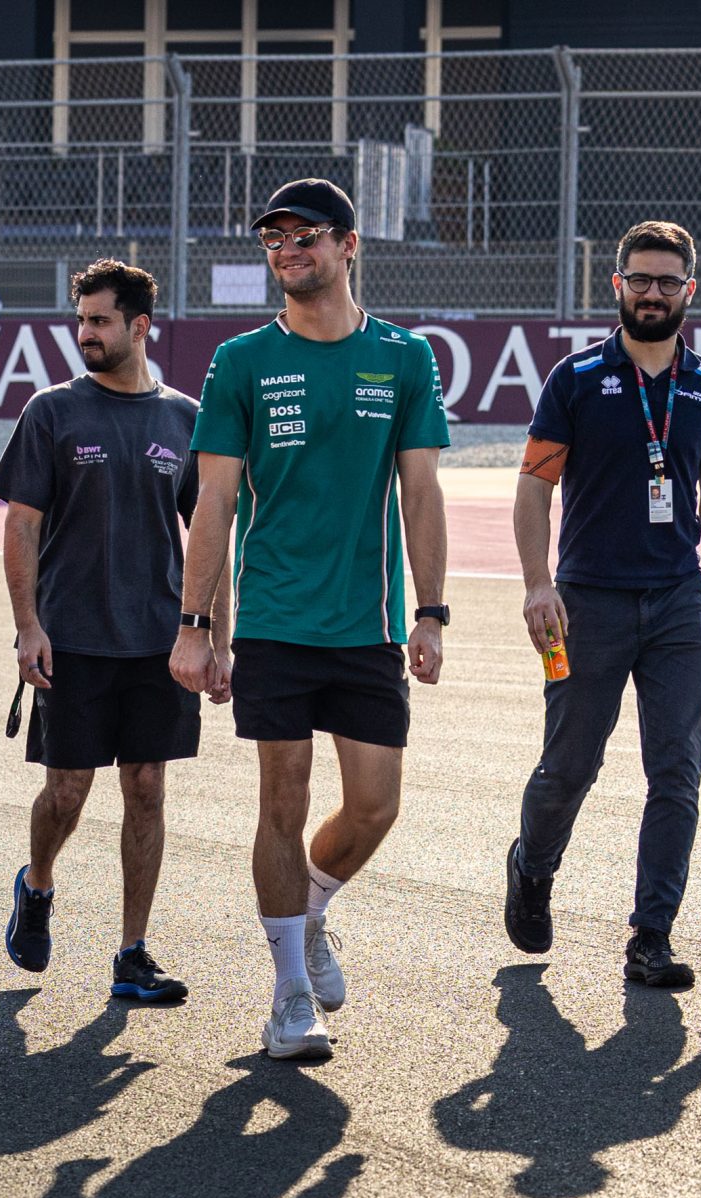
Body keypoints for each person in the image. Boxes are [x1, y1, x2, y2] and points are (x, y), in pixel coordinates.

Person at [172, 178, 451, 1063]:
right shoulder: (241, 362)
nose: (288, 252)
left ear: (348, 245)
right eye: (274, 240)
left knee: (374, 808)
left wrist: (431, 612)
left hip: (368, 624)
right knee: (281, 801)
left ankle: (313, 905)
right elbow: (214, 501)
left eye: (306, 236)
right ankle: (289, 993)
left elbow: (420, 491)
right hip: (275, 620)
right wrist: (196, 625)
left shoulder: (404, 357)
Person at [506, 219, 701, 989]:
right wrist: (537, 583)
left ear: (691, 290)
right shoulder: (577, 379)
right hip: (585, 604)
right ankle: (532, 865)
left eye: (668, 282)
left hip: (679, 603)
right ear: (617, 284)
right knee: (568, 767)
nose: (654, 293)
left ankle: (650, 937)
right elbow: (533, 488)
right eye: (641, 280)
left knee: (678, 769)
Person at [0, 257, 212, 1004]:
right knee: (67, 792)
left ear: (140, 326)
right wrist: (27, 626)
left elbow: (209, 535)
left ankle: (132, 952)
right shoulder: (51, 412)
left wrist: (211, 633)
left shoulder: (184, 418)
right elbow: (20, 527)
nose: (85, 333)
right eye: (81, 320)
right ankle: (38, 883)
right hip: (72, 639)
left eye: (99, 321)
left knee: (146, 788)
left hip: (159, 642)